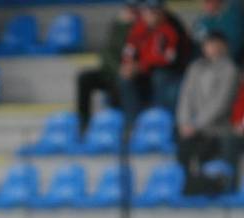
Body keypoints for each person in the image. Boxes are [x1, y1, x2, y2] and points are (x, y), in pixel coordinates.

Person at [176, 31, 238, 195]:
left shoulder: (230, 69)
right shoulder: (195, 67)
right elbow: (185, 97)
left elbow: (221, 103)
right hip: (192, 128)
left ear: (224, 46)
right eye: (208, 44)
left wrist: (196, 125)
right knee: (183, 144)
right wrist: (184, 122)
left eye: (215, 43)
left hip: (217, 127)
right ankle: (186, 185)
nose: (211, 47)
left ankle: (212, 186)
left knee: (204, 146)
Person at [118, 0, 186, 125]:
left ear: (162, 12)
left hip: (169, 70)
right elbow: (129, 48)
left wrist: (140, 66)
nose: (151, 14)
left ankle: (158, 121)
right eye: (148, 11)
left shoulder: (170, 29)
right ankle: (133, 124)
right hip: (143, 71)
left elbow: (167, 58)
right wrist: (127, 64)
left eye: (155, 11)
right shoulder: (139, 27)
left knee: (159, 77)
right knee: (124, 78)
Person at [76, 0, 138, 132]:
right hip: (114, 72)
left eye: (134, 8)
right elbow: (106, 54)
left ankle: (122, 127)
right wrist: (118, 69)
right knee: (84, 78)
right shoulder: (118, 25)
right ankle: (84, 122)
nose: (130, 11)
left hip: (131, 74)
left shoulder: (141, 27)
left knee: (122, 83)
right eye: (129, 7)